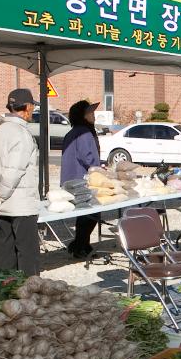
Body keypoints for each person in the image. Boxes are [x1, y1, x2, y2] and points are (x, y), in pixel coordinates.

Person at [0, 88, 41, 276]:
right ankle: (30, 298)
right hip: (21, 206)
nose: (33, 111)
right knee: (28, 256)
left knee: (6, 255)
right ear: (27, 107)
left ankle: (5, 294)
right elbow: (14, 171)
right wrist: (0, 195)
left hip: (2, 207)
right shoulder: (22, 134)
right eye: (32, 107)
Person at [60, 99, 101, 259]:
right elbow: (88, 157)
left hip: (70, 180)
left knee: (84, 214)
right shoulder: (84, 132)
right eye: (90, 112)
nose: (94, 115)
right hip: (82, 180)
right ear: (82, 115)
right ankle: (79, 245)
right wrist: (99, 171)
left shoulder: (73, 132)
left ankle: (82, 244)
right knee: (91, 213)